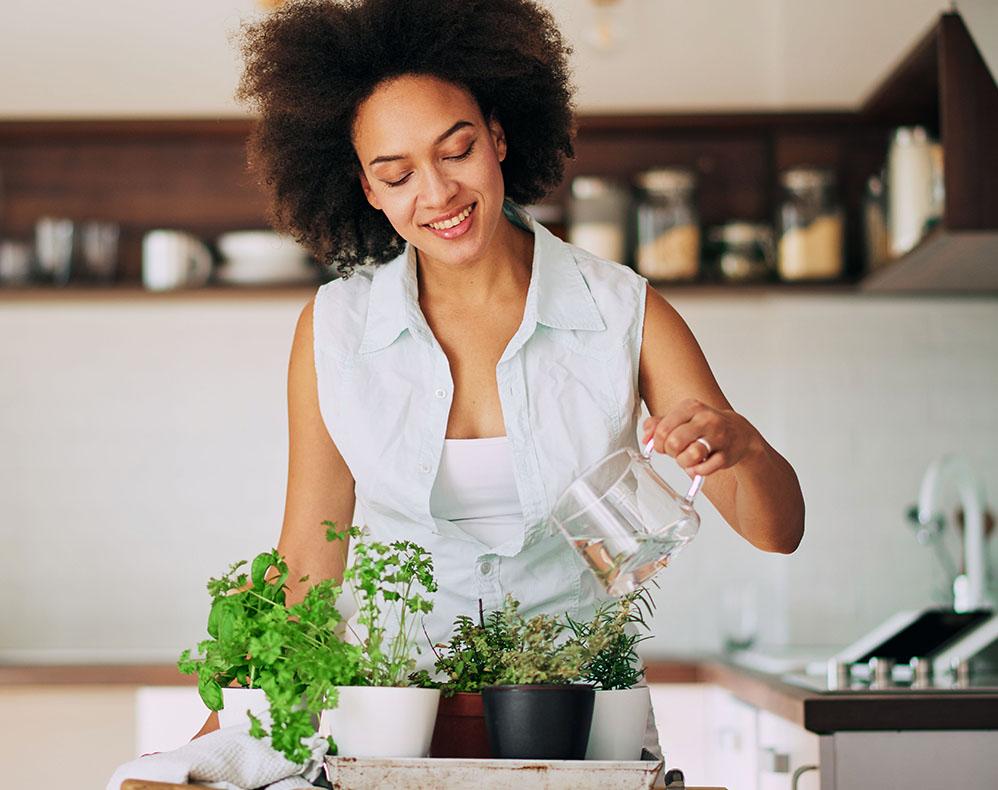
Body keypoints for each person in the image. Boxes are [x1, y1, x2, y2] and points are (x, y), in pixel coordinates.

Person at [193, 0, 805, 749]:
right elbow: (307, 563)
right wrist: (223, 737)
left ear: (499, 136)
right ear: (368, 190)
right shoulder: (334, 330)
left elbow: (778, 533)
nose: (439, 193)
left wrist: (740, 447)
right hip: (396, 730)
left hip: (580, 729)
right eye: (398, 173)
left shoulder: (623, 311)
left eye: (457, 150)